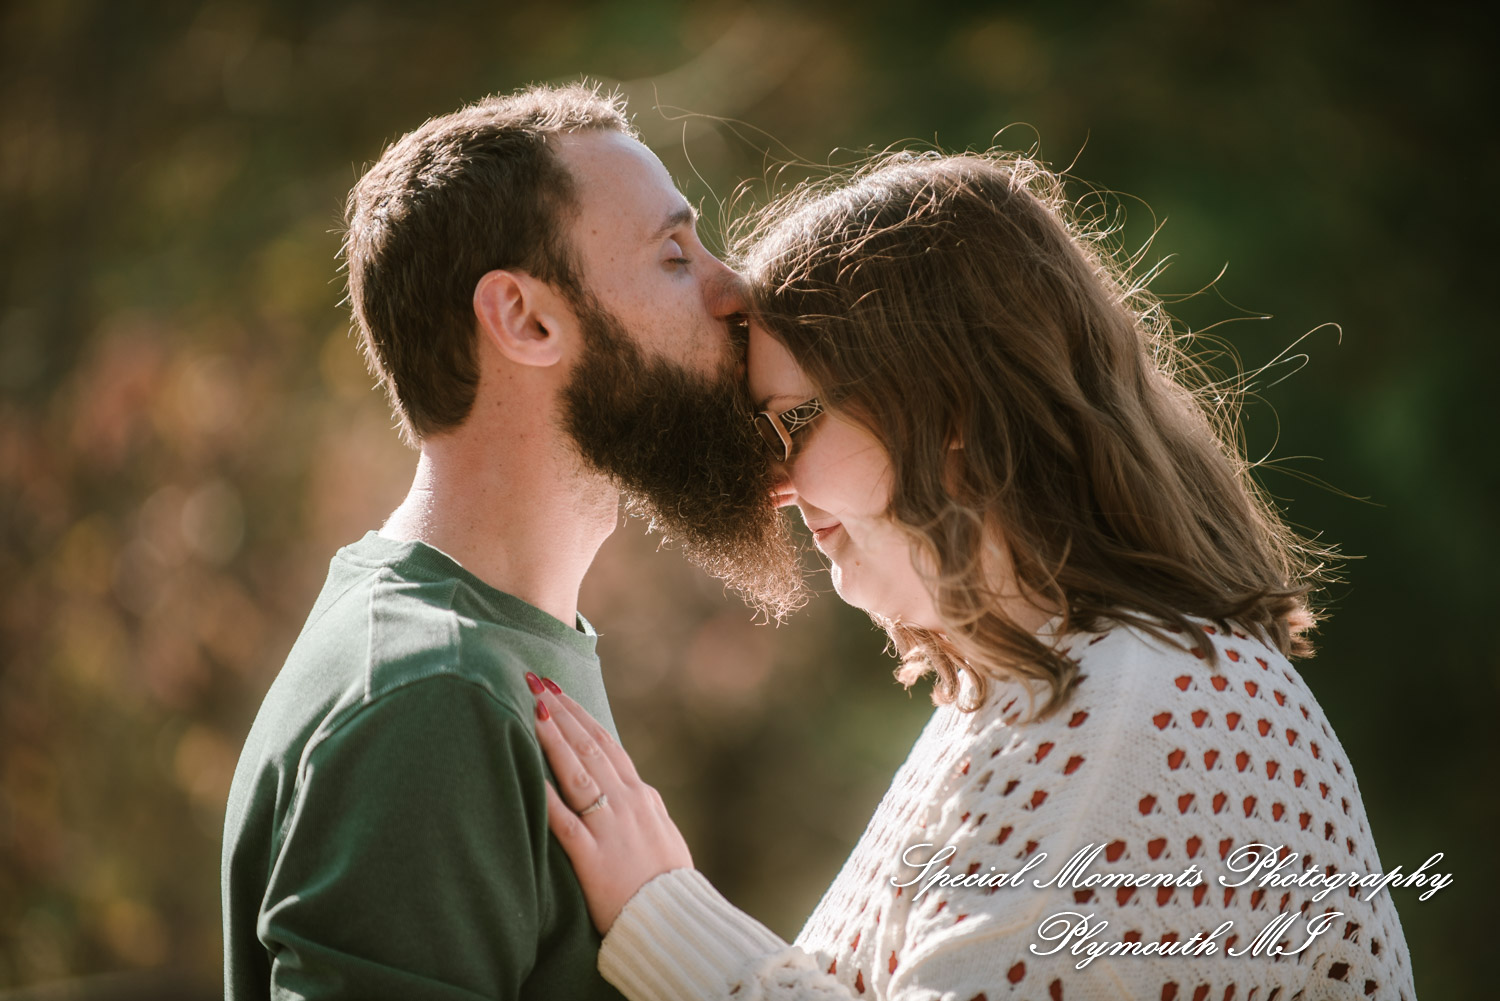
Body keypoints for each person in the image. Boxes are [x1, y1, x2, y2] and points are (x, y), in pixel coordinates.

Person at [528, 151, 1419, 1000]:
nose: (778, 482)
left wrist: (666, 915)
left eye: (794, 421)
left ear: (947, 402)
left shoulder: (1141, 715)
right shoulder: (1045, 694)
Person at [220, 83, 802, 1000]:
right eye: (675, 256)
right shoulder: (427, 697)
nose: (736, 291)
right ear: (525, 320)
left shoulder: (496, 649)